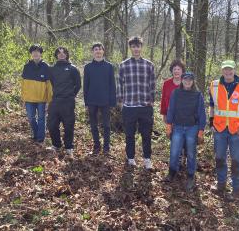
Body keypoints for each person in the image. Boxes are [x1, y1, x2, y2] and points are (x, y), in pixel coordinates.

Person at [209, 60, 239, 200]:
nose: (228, 72)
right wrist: (211, 121)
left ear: (234, 70)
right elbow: (212, 105)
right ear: (222, 71)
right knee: (219, 158)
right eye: (225, 70)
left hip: (237, 130)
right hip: (220, 128)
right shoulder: (214, 85)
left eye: (230, 70)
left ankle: (237, 190)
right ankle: (221, 185)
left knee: (236, 160)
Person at [117, 36, 155, 169]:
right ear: (130, 48)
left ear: (141, 47)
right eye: (133, 46)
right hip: (129, 106)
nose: (136, 49)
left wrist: (152, 100)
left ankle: (147, 159)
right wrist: (120, 101)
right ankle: (131, 158)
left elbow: (152, 84)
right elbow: (120, 84)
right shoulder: (123, 65)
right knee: (129, 135)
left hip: (145, 106)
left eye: (138, 46)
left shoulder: (149, 65)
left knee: (146, 135)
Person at [164, 72, 206, 192]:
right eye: (185, 79)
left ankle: (191, 175)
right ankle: (172, 172)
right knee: (174, 150)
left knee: (191, 153)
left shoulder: (198, 95)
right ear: (182, 80)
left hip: (192, 127)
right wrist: (168, 126)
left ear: (193, 81)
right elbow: (171, 109)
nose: (187, 82)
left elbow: (202, 113)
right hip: (177, 126)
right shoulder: (176, 93)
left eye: (190, 80)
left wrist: (201, 131)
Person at [47, 47, 81, 158]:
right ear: (56, 55)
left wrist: (71, 95)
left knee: (69, 125)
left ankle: (68, 147)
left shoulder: (73, 69)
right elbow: (52, 83)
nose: (61, 54)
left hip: (68, 102)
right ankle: (56, 144)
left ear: (67, 55)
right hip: (55, 101)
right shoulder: (52, 69)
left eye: (64, 53)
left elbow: (78, 85)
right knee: (52, 125)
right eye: (59, 53)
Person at [83, 42, 116, 155]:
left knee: (106, 125)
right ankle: (96, 145)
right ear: (93, 52)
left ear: (103, 51)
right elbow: (85, 85)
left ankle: (106, 146)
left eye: (100, 49)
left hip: (105, 100)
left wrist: (112, 101)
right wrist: (86, 102)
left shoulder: (109, 66)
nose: (98, 51)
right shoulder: (88, 67)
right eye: (95, 49)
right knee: (93, 125)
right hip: (92, 100)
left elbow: (112, 85)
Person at [21, 44, 52, 145]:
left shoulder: (46, 66)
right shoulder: (26, 66)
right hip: (29, 98)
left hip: (42, 99)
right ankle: (35, 134)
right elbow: (23, 84)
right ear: (31, 54)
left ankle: (40, 139)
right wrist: (23, 98)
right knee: (31, 118)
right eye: (33, 52)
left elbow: (49, 85)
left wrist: (49, 100)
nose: (35, 53)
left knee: (42, 118)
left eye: (37, 51)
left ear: (40, 53)